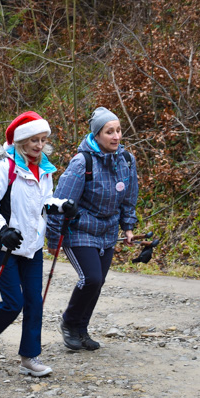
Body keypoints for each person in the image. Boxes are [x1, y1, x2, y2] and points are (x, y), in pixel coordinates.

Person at [0, 111, 76, 377]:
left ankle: (29, 358)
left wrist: (61, 205)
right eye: (34, 140)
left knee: (34, 303)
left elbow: (45, 200)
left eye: (43, 139)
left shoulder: (44, 169)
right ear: (21, 141)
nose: (39, 145)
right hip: (4, 246)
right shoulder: (4, 167)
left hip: (32, 246)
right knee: (13, 302)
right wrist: (3, 229)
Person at [46, 107, 139, 351]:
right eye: (110, 132)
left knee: (98, 282)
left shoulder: (127, 161)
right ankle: (68, 323)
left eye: (118, 130)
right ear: (97, 135)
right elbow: (59, 204)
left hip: (107, 232)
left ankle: (81, 329)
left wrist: (128, 227)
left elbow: (129, 198)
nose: (116, 136)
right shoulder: (82, 163)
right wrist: (54, 240)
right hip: (79, 230)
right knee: (91, 278)